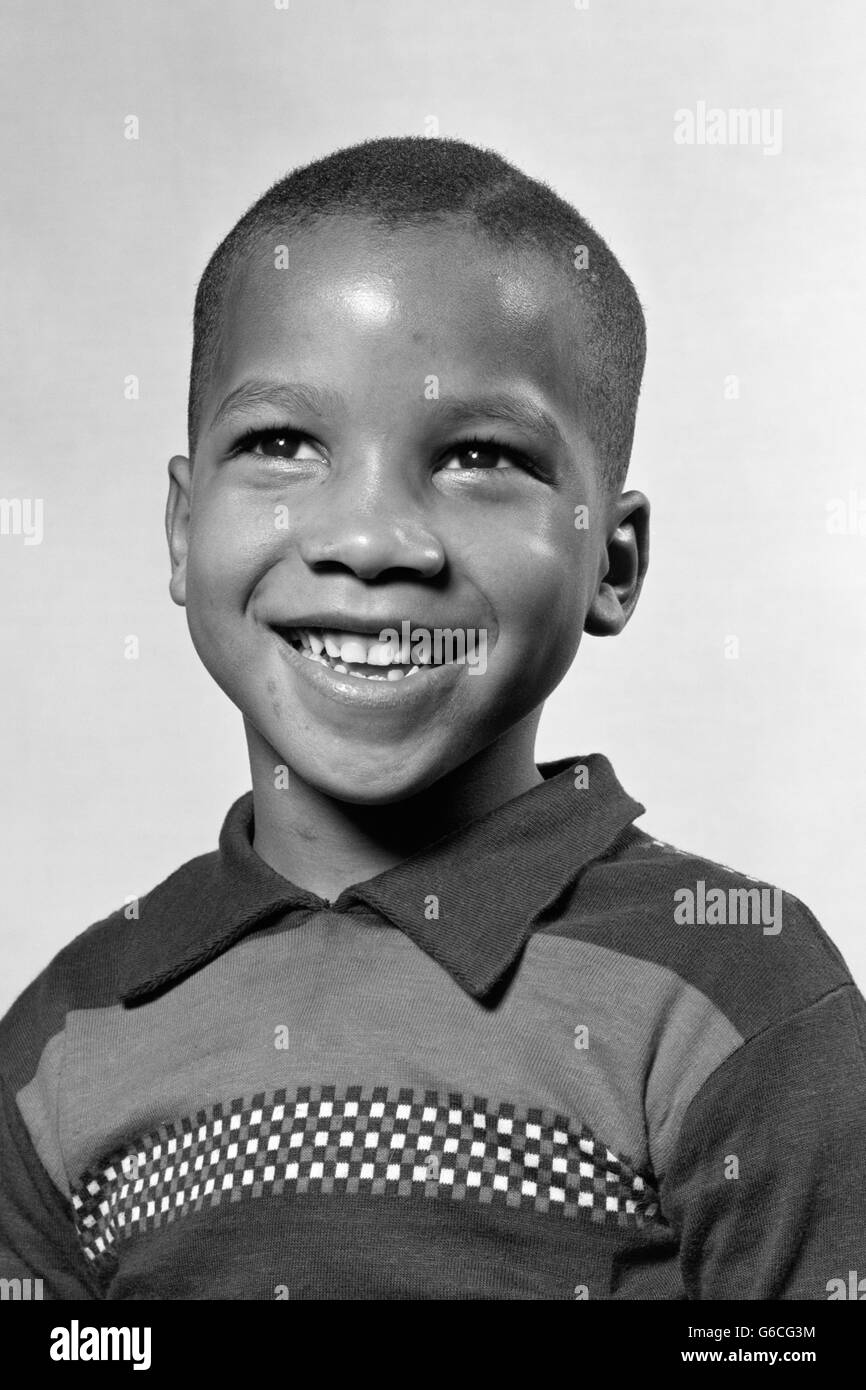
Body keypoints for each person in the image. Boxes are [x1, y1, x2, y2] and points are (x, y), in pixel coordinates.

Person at [1, 137, 863, 1300]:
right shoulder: (64, 1035)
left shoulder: (735, 984)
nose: (369, 540)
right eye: (281, 444)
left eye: (476, 456)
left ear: (611, 561)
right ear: (180, 525)